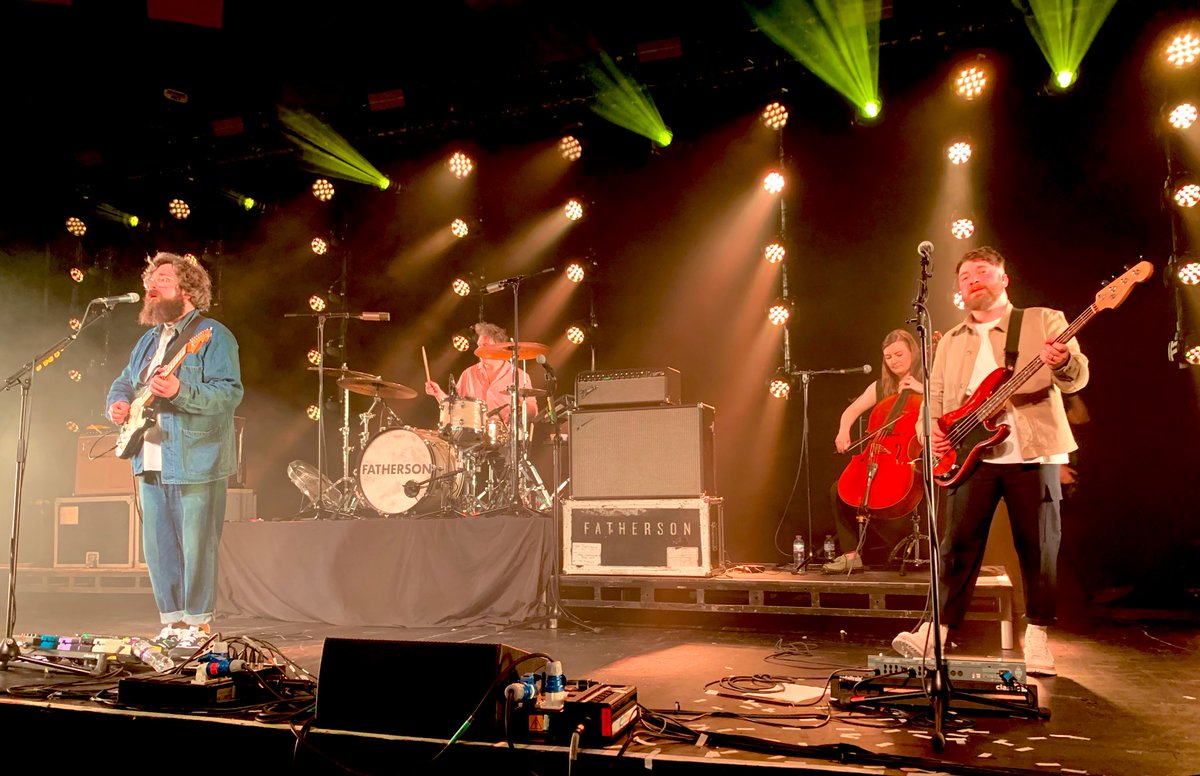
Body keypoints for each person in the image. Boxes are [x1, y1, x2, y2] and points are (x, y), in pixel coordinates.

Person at [891, 246, 1088, 677]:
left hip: (1033, 451)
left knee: (1038, 546)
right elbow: (937, 395)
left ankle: (1036, 633)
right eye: (964, 276)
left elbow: (1078, 376)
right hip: (969, 453)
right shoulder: (950, 339)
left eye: (982, 271)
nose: (972, 279)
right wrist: (934, 435)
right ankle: (938, 631)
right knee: (956, 544)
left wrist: (1065, 360)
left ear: (1004, 278)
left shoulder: (1043, 320)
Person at [106, 252, 243, 644]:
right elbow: (125, 382)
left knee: (197, 545)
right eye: (150, 277)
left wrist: (181, 390)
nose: (152, 284)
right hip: (148, 457)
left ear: (187, 289)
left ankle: (198, 623)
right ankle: (171, 621)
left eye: (162, 278)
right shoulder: (147, 341)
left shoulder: (212, 335)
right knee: (159, 547)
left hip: (196, 459)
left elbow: (229, 394)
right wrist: (117, 405)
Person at [825, 329, 927, 573]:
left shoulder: (930, 382)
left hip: (914, 456)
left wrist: (924, 390)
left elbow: (950, 405)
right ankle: (851, 555)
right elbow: (851, 411)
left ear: (913, 351)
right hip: (879, 454)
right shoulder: (881, 386)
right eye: (889, 357)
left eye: (899, 354)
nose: (894, 361)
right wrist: (843, 431)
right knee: (838, 491)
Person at [424, 321, 538, 425]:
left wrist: (517, 416)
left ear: (500, 347)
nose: (480, 349)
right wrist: (438, 394)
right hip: (472, 440)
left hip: (506, 439)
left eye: (485, 345)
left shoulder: (519, 376)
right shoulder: (468, 374)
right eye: (479, 345)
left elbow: (533, 408)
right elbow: (455, 408)